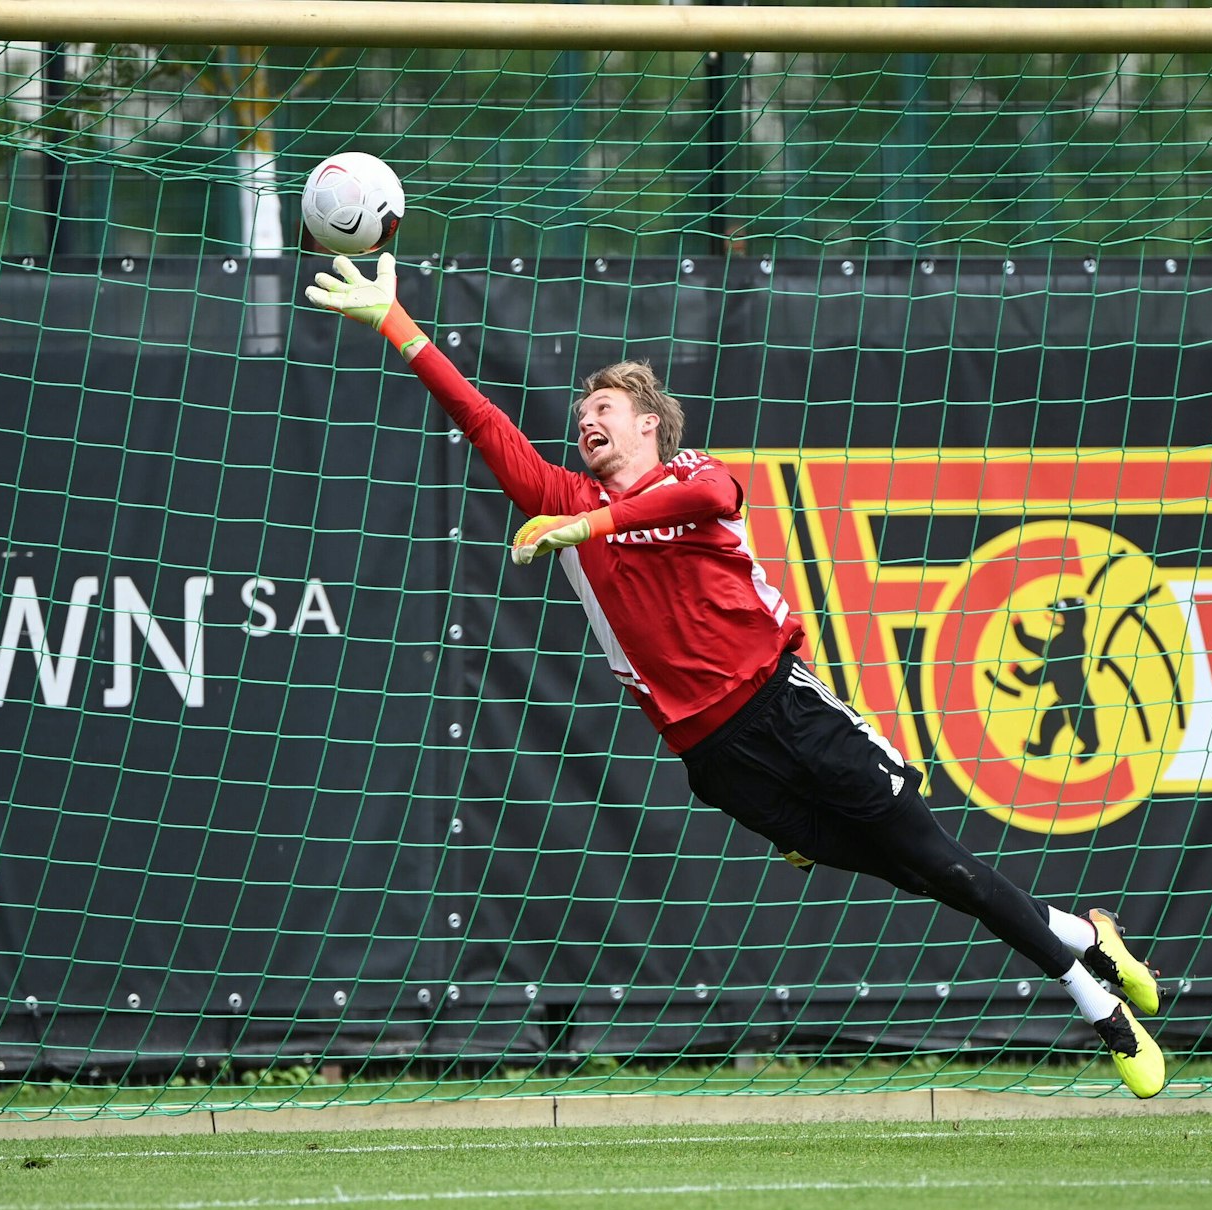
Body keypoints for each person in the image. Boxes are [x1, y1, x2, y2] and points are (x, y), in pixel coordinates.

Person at [306, 254, 1168, 1097]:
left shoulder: (688, 475)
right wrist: (397, 323)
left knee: (940, 860)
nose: (586, 419)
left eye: (604, 406)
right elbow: (482, 419)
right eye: (581, 413)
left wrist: (588, 530)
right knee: (917, 873)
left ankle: (1095, 1002)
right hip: (718, 760)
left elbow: (709, 500)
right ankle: (1086, 934)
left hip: (788, 709)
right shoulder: (569, 500)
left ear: (649, 423)